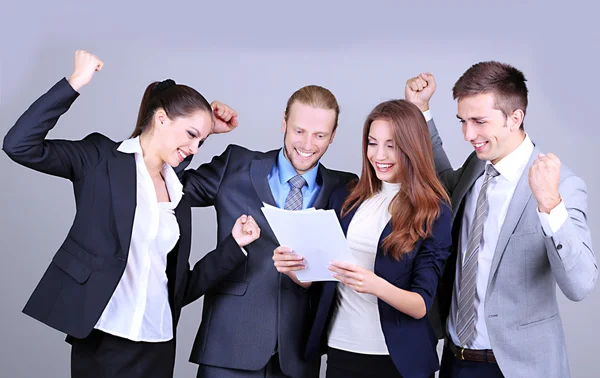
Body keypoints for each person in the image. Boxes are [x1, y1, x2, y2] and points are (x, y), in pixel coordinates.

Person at [2, 50, 261, 378]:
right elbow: (19, 145)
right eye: (192, 136)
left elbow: (181, 286)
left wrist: (234, 246)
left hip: (158, 343)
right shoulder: (100, 160)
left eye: (202, 140)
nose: (195, 149)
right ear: (162, 118)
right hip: (103, 338)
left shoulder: (177, 192)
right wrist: (75, 83)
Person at [405, 63, 598, 378]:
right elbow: (442, 181)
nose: (468, 135)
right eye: (463, 122)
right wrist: (420, 111)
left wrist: (550, 204)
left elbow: (580, 285)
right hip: (454, 360)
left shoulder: (561, 186)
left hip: (518, 368)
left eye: (479, 121)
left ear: (515, 118)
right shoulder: (477, 164)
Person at [181, 85, 357, 377]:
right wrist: (201, 131)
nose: (308, 144)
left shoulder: (346, 188)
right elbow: (167, 186)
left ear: (333, 135)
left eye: (320, 135)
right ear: (284, 122)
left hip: (298, 356)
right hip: (229, 348)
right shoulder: (235, 165)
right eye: (299, 131)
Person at [280, 99, 453, 378]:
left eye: (391, 145)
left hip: (397, 359)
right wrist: (294, 269)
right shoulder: (346, 198)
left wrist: (375, 285)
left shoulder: (433, 212)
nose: (379, 155)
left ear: (413, 147)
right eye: (373, 143)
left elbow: (421, 305)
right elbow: (322, 275)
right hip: (342, 348)